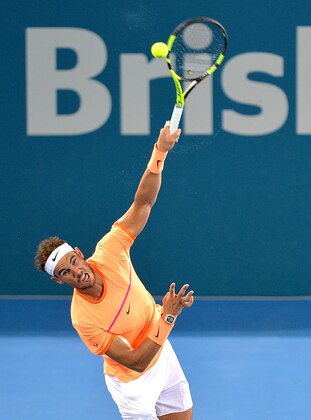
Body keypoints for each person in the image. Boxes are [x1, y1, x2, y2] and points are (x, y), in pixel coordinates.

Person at [34, 121, 195, 420]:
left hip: (163, 356)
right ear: (59, 281)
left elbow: (144, 202)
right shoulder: (83, 320)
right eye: (66, 273)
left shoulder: (111, 249)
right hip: (133, 386)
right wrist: (169, 315)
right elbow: (135, 360)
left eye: (73, 261)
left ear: (79, 253)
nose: (76, 271)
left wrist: (160, 150)